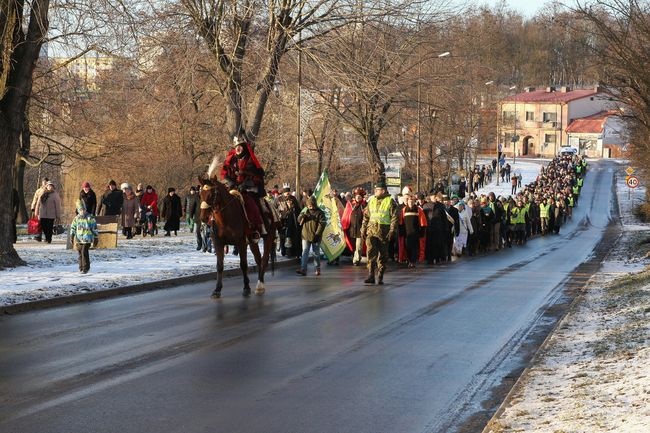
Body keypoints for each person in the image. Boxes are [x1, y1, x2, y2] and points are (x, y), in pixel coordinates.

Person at [221, 131, 267, 241]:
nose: (238, 149)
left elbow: (257, 177)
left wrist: (245, 184)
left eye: (240, 146)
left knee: (251, 205)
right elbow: (224, 173)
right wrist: (230, 181)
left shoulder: (251, 160)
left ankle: (258, 227)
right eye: (236, 146)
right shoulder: (230, 160)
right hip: (233, 188)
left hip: (248, 189)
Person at [360, 180, 397, 285]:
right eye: (375, 190)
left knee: (383, 255)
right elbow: (366, 216)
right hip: (371, 231)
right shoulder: (371, 201)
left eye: (377, 190)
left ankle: (380, 275)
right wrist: (363, 229)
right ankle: (371, 275)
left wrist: (392, 231)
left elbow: (394, 217)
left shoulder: (390, 201)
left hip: (383, 232)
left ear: (383, 190)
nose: (375, 191)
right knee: (370, 253)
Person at [296, 196, 326, 276]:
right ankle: (303, 269)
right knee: (305, 252)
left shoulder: (320, 212)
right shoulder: (305, 211)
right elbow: (298, 220)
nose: (310, 207)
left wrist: (317, 234)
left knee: (315, 253)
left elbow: (322, 224)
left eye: (312, 205)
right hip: (305, 235)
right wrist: (302, 217)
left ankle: (317, 268)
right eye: (309, 205)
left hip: (316, 236)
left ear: (314, 204)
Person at [70, 200, 99, 274]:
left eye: (83, 209)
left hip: (87, 239)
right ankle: (81, 267)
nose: (82, 211)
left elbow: (94, 228)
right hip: (79, 239)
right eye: (80, 210)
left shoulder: (89, 218)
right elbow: (73, 227)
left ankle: (86, 267)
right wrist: (72, 235)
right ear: (78, 210)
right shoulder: (76, 219)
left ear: (85, 209)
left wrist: (96, 237)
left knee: (84, 252)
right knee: (80, 252)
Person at [341, 187, 367, 266]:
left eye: (360, 197)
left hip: (360, 229)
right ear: (355, 197)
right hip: (351, 229)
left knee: (359, 245)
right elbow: (346, 215)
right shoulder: (350, 204)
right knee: (352, 245)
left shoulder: (365, 205)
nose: (358, 198)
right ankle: (354, 256)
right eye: (357, 196)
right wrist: (343, 225)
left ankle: (356, 259)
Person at [399, 194, 427, 268]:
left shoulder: (418, 210)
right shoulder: (404, 210)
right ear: (407, 202)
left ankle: (413, 261)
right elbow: (401, 222)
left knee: (414, 248)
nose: (411, 203)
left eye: (412, 201)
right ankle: (409, 260)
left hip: (415, 233)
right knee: (407, 248)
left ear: (414, 202)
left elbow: (423, 221)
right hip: (407, 233)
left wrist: (422, 231)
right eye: (409, 201)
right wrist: (402, 231)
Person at [275, 186, 302, 257]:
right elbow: (274, 209)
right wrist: (280, 213)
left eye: (288, 192)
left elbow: (298, 209)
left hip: (293, 220)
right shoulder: (278, 199)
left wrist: (292, 207)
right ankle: (284, 252)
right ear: (283, 192)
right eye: (286, 192)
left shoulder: (293, 198)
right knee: (283, 237)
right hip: (282, 221)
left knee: (292, 237)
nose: (287, 193)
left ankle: (293, 252)